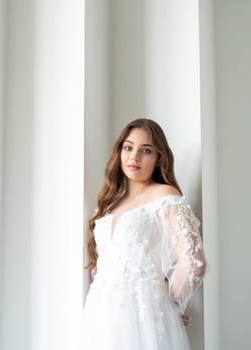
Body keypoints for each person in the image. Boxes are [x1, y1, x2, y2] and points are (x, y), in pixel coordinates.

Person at [81, 118, 207, 350]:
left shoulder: (164, 195)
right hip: (100, 316)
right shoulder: (108, 204)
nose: (134, 157)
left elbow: (195, 262)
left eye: (145, 150)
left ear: (158, 158)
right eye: (128, 147)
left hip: (144, 316)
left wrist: (171, 303)